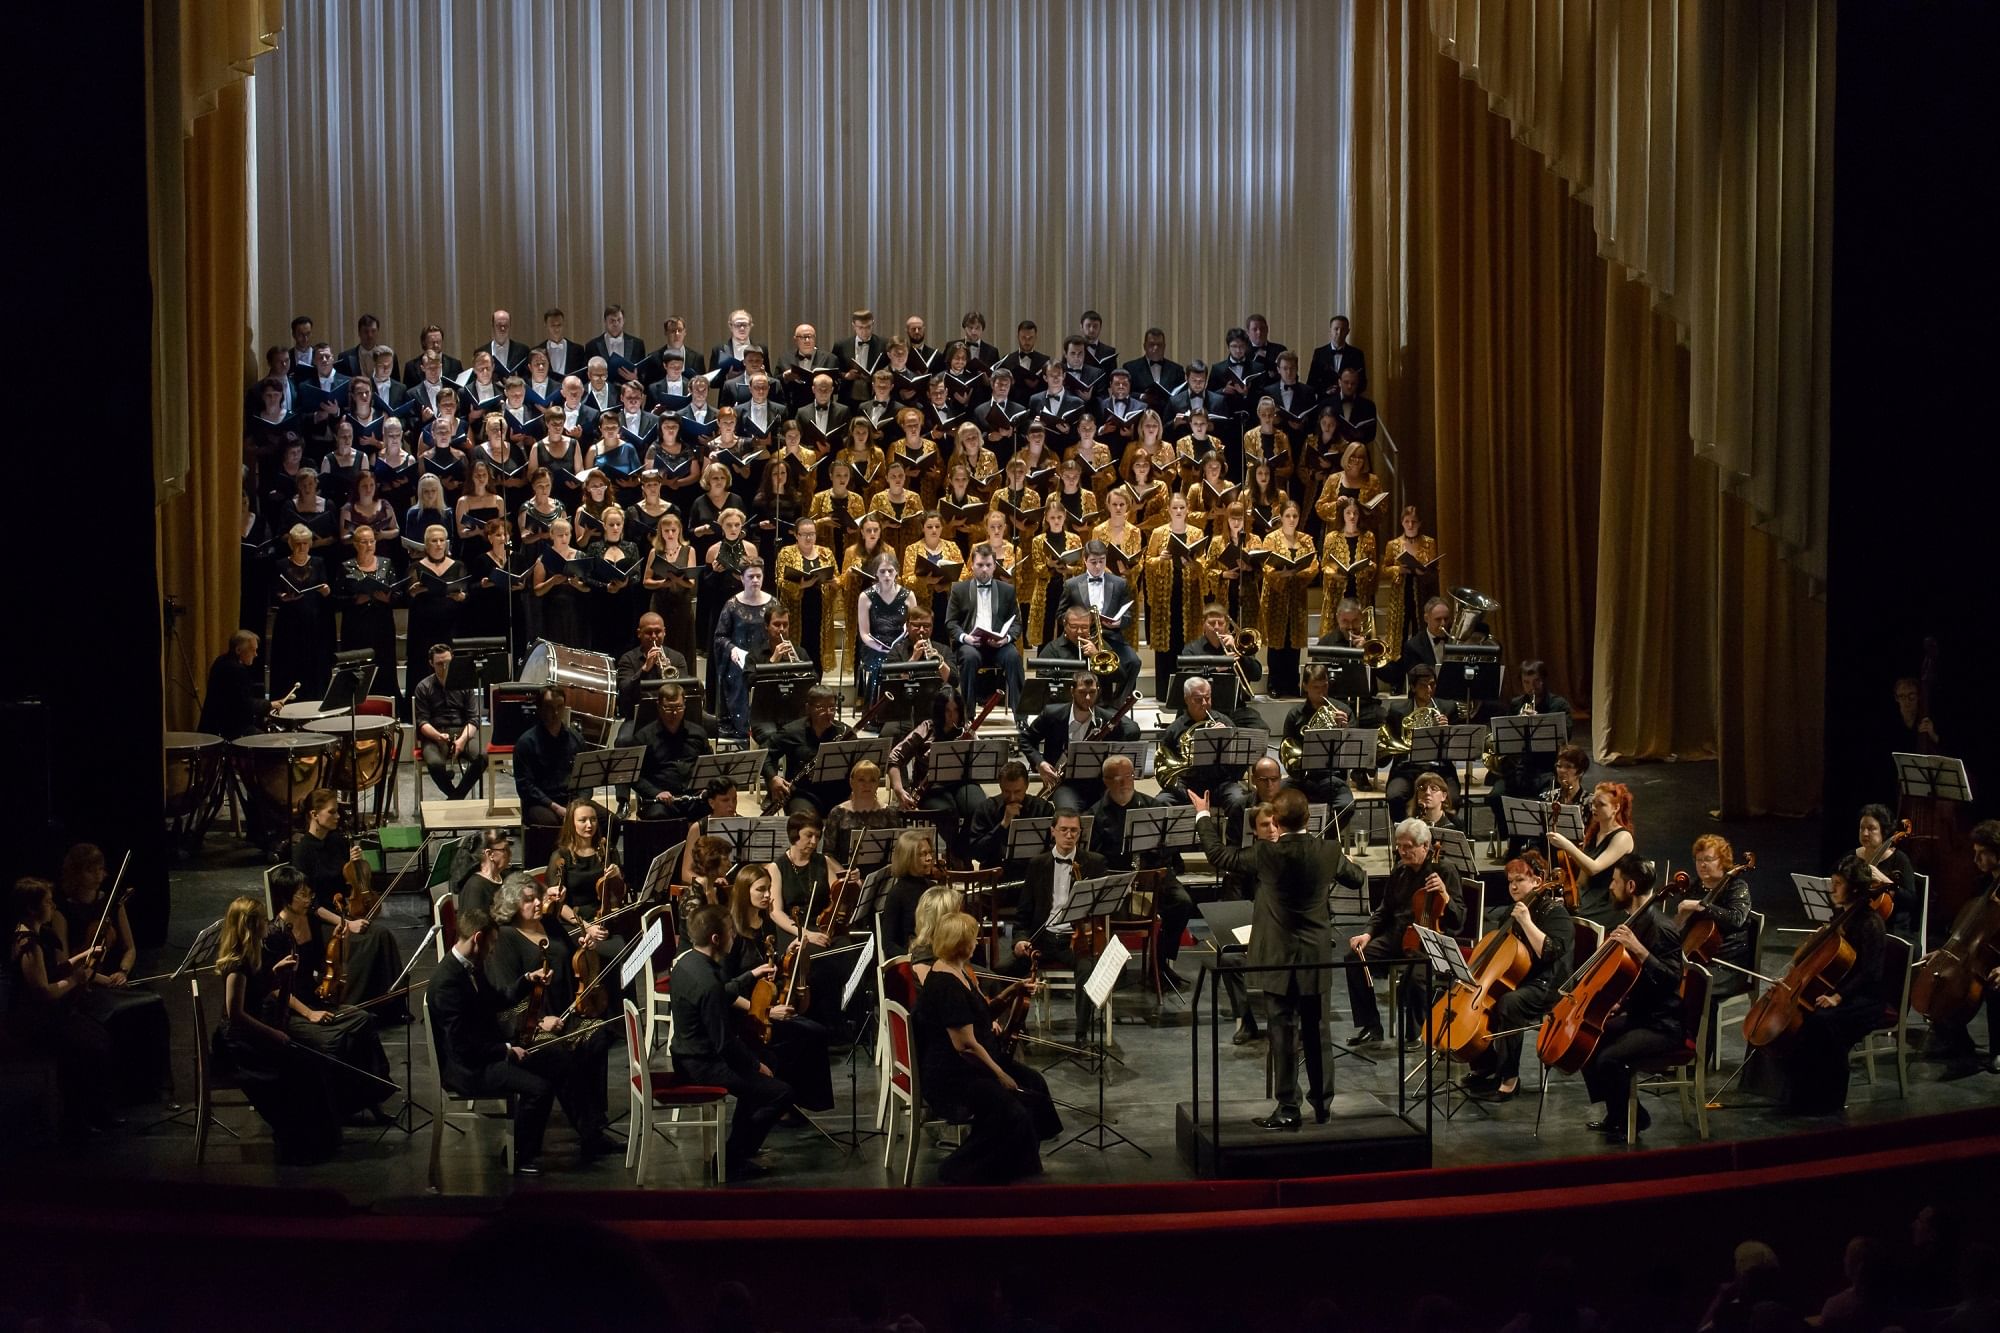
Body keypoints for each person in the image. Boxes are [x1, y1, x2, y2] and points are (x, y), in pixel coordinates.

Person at [1193, 787, 1364, 1127]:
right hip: (1316, 954)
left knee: (1283, 1031)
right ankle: (1323, 1105)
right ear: (1309, 819)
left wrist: (1202, 815)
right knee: (1318, 1030)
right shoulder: (1328, 850)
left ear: (1279, 822)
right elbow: (1357, 879)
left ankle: (1288, 1109)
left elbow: (1218, 856)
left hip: (1277, 955)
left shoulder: (1265, 854)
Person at [914, 911, 1061, 1184]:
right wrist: (999, 1074)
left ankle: (1019, 1161)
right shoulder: (946, 984)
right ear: (962, 943)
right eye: (974, 937)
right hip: (954, 1076)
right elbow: (966, 1046)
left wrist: (1013, 991)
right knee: (1011, 1109)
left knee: (1034, 1083)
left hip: (975, 1064)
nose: (978, 941)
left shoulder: (960, 971)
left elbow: (983, 1014)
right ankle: (960, 1168)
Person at [208, 894, 346, 1162]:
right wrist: (274, 1034)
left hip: (253, 1034)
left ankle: (318, 1140)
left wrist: (275, 974)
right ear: (250, 926)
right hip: (238, 1044)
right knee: (299, 1072)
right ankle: (300, 1142)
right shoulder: (236, 966)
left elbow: (257, 992)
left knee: (310, 1065)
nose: (267, 924)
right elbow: (236, 1014)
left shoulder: (254, 955)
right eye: (261, 920)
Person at [485, 875, 614, 1155]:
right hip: (527, 1021)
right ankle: (589, 1130)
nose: (535, 903)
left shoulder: (551, 925)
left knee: (599, 1035)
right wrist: (539, 1019)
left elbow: (570, 961)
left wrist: (583, 947)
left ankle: (595, 1118)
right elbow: (506, 993)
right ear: (512, 904)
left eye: (536, 897)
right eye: (527, 899)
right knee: (558, 1053)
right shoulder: (506, 937)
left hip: (565, 1011)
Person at [431, 904, 563, 1174]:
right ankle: (519, 1156)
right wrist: (506, 1050)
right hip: (468, 1069)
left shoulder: (471, 966)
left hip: (481, 1053)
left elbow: (497, 999)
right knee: (539, 1089)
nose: (492, 952)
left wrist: (528, 979)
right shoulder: (447, 982)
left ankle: (525, 1147)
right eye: (491, 945)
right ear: (477, 939)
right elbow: (461, 1047)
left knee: (554, 1060)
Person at [670, 905, 797, 1176]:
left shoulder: (687, 962)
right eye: (729, 932)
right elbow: (724, 1043)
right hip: (701, 1064)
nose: (734, 936)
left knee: (769, 1062)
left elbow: (721, 992)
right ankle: (732, 1160)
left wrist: (750, 975)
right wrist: (754, 1065)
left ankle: (740, 1148)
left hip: (687, 1054)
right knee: (780, 1092)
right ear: (716, 939)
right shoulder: (707, 984)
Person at [1570, 855, 1689, 1135]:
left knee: (1608, 1058)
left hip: (1663, 1024)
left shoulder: (1661, 928)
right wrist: (1618, 1001)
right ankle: (1617, 1112)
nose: (1610, 887)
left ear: (1631, 886)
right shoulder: (1634, 922)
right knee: (1587, 1038)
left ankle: (1636, 1116)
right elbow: (1634, 978)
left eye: (1615, 881)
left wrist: (1639, 950)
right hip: (1640, 1013)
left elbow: (1671, 980)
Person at [265, 865, 394, 1120]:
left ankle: (374, 1097)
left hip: (314, 998)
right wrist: (310, 1013)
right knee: (332, 1041)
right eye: (302, 895)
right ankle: (336, 1108)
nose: (308, 899)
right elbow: (274, 989)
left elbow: (325, 965)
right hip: (290, 1010)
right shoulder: (274, 934)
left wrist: (340, 942)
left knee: (363, 1020)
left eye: (308, 893)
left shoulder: (310, 921)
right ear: (286, 897)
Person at [6, 877, 117, 1135]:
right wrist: (76, 979)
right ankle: (77, 1119)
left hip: (44, 1016)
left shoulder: (38, 934)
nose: (53, 906)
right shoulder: (28, 944)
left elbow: (54, 969)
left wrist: (82, 956)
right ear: (33, 908)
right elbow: (43, 991)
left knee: (98, 1034)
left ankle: (93, 1111)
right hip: (31, 1023)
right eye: (47, 902)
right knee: (87, 1045)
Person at [1464, 856, 1575, 1102]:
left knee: (1508, 1004)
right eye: (1510, 881)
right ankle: (1487, 1065)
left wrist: (1525, 921)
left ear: (1537, 881)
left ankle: (1509, 1080)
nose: (1513, 886)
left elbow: (1548, 952)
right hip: (1522, 981)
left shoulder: (1555, 913)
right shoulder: (1511, 913)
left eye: (1520, 880)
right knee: (1483, 1001)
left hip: (1549, 985)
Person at [1346, 819, 1466, 1046]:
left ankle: (1415, 1033)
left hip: (1429, 940)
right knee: (1355, 959)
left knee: (1415, 976)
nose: (1402, 851)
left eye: (1408, 846)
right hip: (1398, 935)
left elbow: (1458, 918)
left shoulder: (1445, 870)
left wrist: (1445, 894)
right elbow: (1385, 909)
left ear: (1426, 846)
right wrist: (1368, 934)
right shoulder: (1400, 870)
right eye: (1399, 846)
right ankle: (1371, 1026)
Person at [724, 866, 835, 1112]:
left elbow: (768, 963)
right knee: (803, 1035)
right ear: (744, 892)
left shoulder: (764, 923)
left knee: (816, 1031)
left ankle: (796, 1100)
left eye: (768, 889)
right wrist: (765, 1013)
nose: (767, 895)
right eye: (760, 890)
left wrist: (789, 954)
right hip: (745, 1014)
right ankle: (784, 1100)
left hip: (766, 1004)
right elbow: (724, 991)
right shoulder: (731, 933)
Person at [1086, 754, 1195, 984]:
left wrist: (1158, 851)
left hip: (1152, 875)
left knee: (1182, 903)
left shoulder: (1153, 806)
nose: (1125, 782)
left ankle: (1161, 961)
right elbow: (1094, 860)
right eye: (1118, 777)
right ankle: (1112, 966)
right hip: (1116, 880)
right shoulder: (1094, 814)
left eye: (1129, 776)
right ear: (1105, 780)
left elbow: (1170, 849)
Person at [1000, 811, 1102, 1029]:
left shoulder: (1094, 863)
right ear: (1052, 831)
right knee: (1001, 971)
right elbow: (1023, 913)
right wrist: (1020, 940)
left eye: (1074, 830)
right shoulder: (1037, 864)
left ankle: (1082, 1036)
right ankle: (1015, 1031)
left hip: (1075, 942)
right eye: (1063, 830)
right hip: (1042, 939)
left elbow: (1101, 908)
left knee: (1088, 971)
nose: (1068, 835)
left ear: (1080, 833)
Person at [1022, 669, 1138, 813]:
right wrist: (1040, 763)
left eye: (1093, 692)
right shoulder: (1052, 714)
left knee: (1120, 809)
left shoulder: (1108, 720)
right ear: (1072, 691)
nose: (1088, 698)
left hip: (1100, 783)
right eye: (1082, 692)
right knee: (1069, 815)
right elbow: (1025, 739)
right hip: (1065, 784)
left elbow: (1128, 739)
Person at [1378, 664, 1469, 822]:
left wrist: (1446, 731)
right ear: (1413, 687)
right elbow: (1385, 747)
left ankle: (1442, 839)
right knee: (1395, 796)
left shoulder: (1447, 708)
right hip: (1406, 769)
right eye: (1423, 685)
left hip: (1440, 770)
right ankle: (1403, 839)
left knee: (1452, 798)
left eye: (1432, 684)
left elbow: (1457, 746)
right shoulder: (1397, 710)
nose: (1429, 689)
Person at [1054, 539, 1143, 700]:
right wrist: (1078, 622)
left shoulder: (1120, 583)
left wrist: (1118, 622)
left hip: (1111, 636)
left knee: (1134, 663)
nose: (1097, 566)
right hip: (1082, 638)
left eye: (1101, 561)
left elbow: (1129, 617)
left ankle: (1117, 703)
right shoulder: (1071, 584)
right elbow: (1060, 615)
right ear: (1084, 560)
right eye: (1093, 562)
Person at [1154, 677, 1250, 821]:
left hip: (1221, 783)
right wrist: (1180, 789)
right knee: (1161, 802)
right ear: (1186, 699)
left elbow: (1239, 762)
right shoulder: (1175, 729)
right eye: (1198, 699)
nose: (1205, 703)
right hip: (1188, 785)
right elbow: (1165, 765)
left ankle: (1233, 842)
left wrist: (1228, 738)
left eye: (1208, 698)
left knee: (1239, 800)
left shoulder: (1224, 722)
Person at [944, 544, 1025, 714]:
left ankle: (1021, 716)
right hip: (970, 645)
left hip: (998, 645)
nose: (984, 570)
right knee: (969, 657)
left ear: (995, 566)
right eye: (980, 565)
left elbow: (1016, 622)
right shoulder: (959, 589)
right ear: (972, 565)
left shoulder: (1007, 590)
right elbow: (950, 623)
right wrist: (965, 638)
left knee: (1013, 657)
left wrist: (1006, 639)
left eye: (988, 565)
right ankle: (968, 715)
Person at [1673, 834, 1755, 1001]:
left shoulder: (1737, 887)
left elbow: (1736, 918)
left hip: (1727, 966)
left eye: (1708, 859)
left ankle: (1700, 1027)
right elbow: (1678, 928)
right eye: (1698, 859)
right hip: (1695, 962)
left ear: (1722, 861)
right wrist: (1681, 915)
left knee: (1689, 989)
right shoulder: (1696, 887)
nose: (1702, 865)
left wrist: (1701, 906)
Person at [1548, 781, 1639, 928]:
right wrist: (1569, 899)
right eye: (1593, 803)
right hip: (1588, 898)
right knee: (1554, 912)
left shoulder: (1623, 837)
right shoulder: (1594, 834)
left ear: (1616, 808)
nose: (1594, 808)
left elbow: (1594, 868)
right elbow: (1582, 880)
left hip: (1609, 902)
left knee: (1567, 922)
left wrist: (1567, 845)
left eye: (1601, 805)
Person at [1144, 493, 1208, 696]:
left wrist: (1194, 564)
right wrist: (1160, 559)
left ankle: (1186, 693)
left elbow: (1204, 564)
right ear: (1169, 510)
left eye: (1182, 508)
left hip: (1189, 597)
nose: (1179, 511)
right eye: (1175, 508)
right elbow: (1147, 561)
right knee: (1166, 644)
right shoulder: (1158, 533)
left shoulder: (1197, 533)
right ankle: (1164, 691)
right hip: (1165, 598)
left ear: (1187, 509)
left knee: (1187, 643)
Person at [711, 556, 776, 736]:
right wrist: (732, 648)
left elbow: (780, 633)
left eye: (758, 576)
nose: (755, 580)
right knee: (738, 677)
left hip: (765, 660)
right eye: (750, 577)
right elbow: (720, 636)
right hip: (739, 661)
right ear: (742, 578)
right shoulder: (732, 605)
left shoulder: (772, 603)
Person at [412, 642, 487, 799]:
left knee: (482, 757)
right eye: (440, 664)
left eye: (448, 662)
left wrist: (461, 740)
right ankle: (456, 796)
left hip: (462, 731)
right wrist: (439, 737)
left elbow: (473, 719)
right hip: (435, 734)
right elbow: (422, 722)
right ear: (431, 663)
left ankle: (456, 797)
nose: (445, 667)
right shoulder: (423, 687)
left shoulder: (465, 684)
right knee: (434, 764)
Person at [762, 684, 850, 817]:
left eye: (832, 708)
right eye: (821, 708)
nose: (828, 713)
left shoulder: (845, 733)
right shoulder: (792, 731)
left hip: (838, 793)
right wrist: (773, 778)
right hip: (803, 795)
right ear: (808, 708)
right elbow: (765, 754)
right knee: (804, 823)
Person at [1281, 665, 1356, 819]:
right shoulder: (1295, 714)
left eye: (1325, 686)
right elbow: (1285, 750)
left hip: (1332, 777)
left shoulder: (1343, 711)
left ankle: (1326, 840)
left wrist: (1345, 729)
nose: (1322, 691)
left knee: (1345, 807)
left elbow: (1354, 748)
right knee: (1277, 801)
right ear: (1305, 686)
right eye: (1316, 687)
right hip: (1301, 778)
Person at [270, 523, 335, 699]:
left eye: (305, 543)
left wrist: (326, 590)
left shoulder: (318, 563)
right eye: (297, 543)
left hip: (314, 622)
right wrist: (283, 596)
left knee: (314, 664)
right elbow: (274, 592)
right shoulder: (281, 565)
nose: (301, 547)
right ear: (291, 543)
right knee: (290, 665)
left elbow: (326, 589)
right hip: (289, 624)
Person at [630, 682, 712, 818]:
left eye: (679, 707)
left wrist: (705, 787)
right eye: (669, 708)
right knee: (657, 815)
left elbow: (709, 766)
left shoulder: (698, 733)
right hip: (661, 801)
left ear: (685, 704)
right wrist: (656, 792)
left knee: (717, 809)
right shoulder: (643, 737)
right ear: (659, 706)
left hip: (694, 798)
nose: (674, 713)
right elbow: (634, 776)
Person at [406, 523, 469, 696]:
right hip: (423, 626)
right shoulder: (416, 567)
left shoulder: (457, 566)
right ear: (427, 544)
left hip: (450, 624)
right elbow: (407, 595)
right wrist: (413, 591)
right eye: (434, 541)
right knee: (422, 664)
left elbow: (465, 592)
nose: (439, 544)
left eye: (442, 540)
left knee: (451, 664)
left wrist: (462, 596)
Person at [613, 611, 691, 740]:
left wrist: (667, 673)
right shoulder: (628, 659)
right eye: (649, 632)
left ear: (664, 632)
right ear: (639, 633)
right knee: (624, 740)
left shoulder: (677, 658)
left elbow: (685, 689)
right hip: (637, 718)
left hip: (671, 715)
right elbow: (625, 690)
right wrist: (644, 669)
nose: (654, 636)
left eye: (658, 632)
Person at [514, 686, 584, 827]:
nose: (556, 712)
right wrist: (557, 808)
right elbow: (526, 787)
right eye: (550, 707)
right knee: (551, 824)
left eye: (560, 706)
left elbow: (585, 781)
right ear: (539, 709)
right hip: (541, 803)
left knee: (609, 820)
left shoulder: (576, 739)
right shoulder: (526, 743)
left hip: (572, 802)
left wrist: (577, 806)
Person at [1854, 803, 1920, 939]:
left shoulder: (1899, 859)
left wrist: (1885, 881)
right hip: (1858, 925)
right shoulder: (1853, 857)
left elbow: (1912, 901)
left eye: (1871, 829)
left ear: (1884, 831)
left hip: (1891, 929)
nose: (1865, 833)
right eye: (1862, 828)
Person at [876, 829, 940, 959]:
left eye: (930, 853)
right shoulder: (897, 894)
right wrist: (914, 957)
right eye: (923, 854)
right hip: (911, 961)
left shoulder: (933, 888)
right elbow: (888, 944)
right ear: (908, 857)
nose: (929, 858)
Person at [200, 629, 275, 738]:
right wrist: (270, 705)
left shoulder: (221, 661)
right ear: (238, 650)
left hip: (213, 726)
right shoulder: (235, 670)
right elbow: (244, 705)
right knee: (268, 742)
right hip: (227, 730)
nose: (256, 654)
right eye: (252, 650)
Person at [455, 830, 512, 920]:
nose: (510, 853)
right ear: (490, 854)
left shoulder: (503, 877)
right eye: (505, 849)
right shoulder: (475, 887)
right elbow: (475, 926)